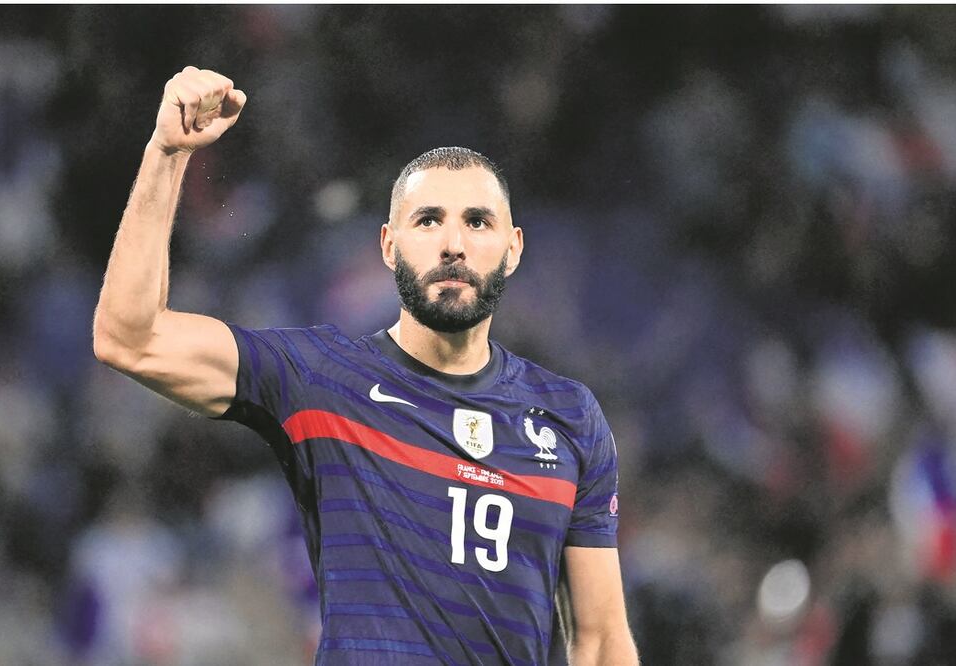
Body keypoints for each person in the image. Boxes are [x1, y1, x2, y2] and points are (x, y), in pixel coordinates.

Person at [93, 65, 639, 666]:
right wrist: (166, 153)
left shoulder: (569, 416)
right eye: (427, 220)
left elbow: (600, 641)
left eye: (478, 221)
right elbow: (130, 338)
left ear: (512, 250)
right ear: (388, 246)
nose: (453, 243)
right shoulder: (322, 378)